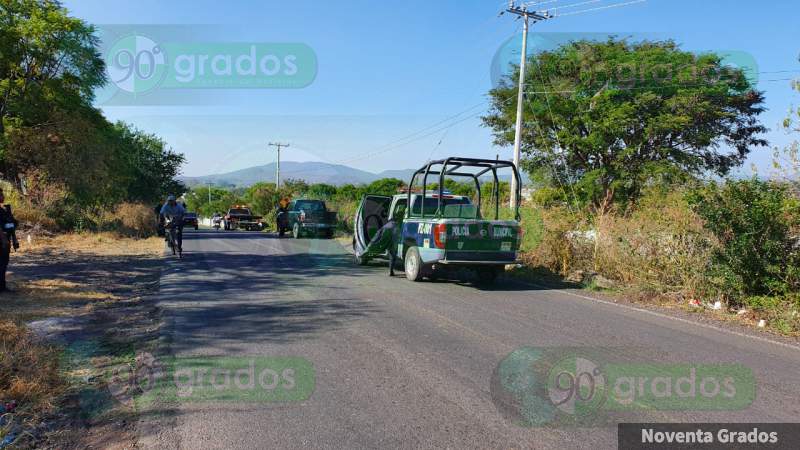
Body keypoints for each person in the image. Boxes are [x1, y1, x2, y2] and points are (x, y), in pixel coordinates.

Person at [368, 207, 403, 276]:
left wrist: (373, 244)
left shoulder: (387, 225)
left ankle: (391, 271)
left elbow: (379, 235)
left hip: (389, 242)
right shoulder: (398, 225)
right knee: (393, 256)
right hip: (394, 242)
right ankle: (391, 271)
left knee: (391, 256)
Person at [0, 189, 19, 292]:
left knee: (4, 263)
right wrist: (4, 240)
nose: (3, 196)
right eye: (1, 195)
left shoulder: (4, 210)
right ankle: (1, 287)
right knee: (2, 263)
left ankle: (2, 286)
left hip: (6, 239)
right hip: (2, 240)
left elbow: (12, 224)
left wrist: (14, 239)